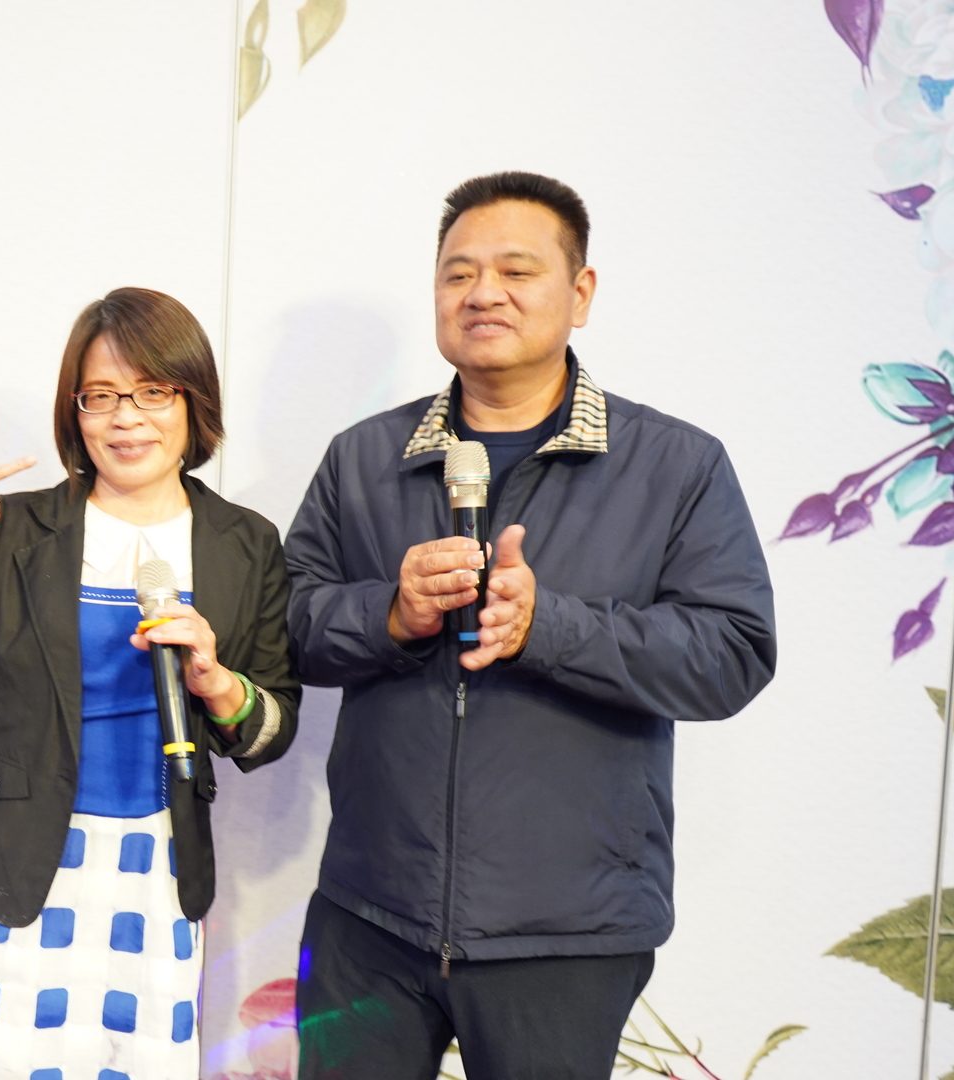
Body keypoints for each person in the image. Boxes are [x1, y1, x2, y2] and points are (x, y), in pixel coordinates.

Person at [284, 172, 777, 1079]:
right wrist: (390, 613)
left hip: (567, 935)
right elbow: (286, 627)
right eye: (458, 273)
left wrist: (548, 627)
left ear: (579, 293)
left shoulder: (675, 465)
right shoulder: (364, 457)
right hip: (368, 916)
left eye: (516, 271)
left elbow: (732, 655)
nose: (483, 293)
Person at [0, 288, 299, 1080]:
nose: (125, 419)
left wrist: (216, 683)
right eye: (100, 396)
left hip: (156, 871)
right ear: (75, 412)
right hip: (11, 863)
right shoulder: (13, 533)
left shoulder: (244, 543)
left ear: (192, 403)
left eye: (151, 392)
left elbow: (270, 730)